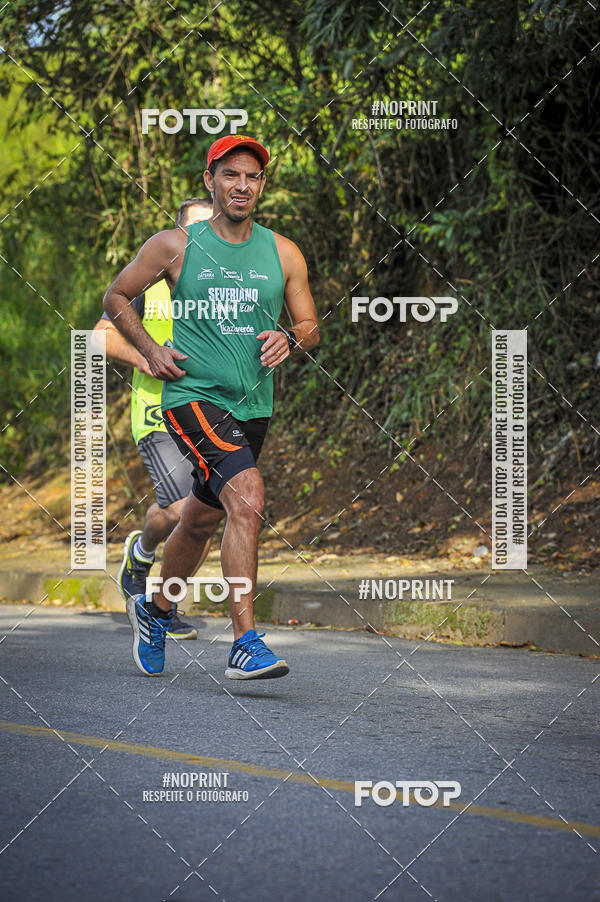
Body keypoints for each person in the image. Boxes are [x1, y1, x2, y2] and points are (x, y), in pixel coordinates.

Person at [103, 133, 319, 679]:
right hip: (191, 397)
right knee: (246, 498)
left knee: (202, 518)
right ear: (210, 181)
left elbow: (310, 325)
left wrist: (291, 341)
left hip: (253, 404)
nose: (241, 185)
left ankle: (155, 610)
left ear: (261, 185)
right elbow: (116, 296)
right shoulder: (175, 245)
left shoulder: (282, 251)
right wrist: (150, 350)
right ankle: (244, 641)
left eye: (252, 176)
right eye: (230, 175)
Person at [95, 197, 222, 640]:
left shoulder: (226, 290)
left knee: (201, 512)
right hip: (157, 414)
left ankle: (144, 553)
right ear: (178, 237)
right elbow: (99, 336)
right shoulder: (149, 285)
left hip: (209, 414)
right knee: (183, 506)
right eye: (196, 231)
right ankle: (160, 604)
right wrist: (146, 356)